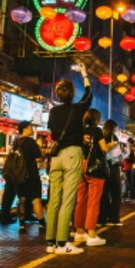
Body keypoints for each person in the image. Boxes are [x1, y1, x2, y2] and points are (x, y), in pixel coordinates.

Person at [45, 61, 92, 255]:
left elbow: (52, 132)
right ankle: (63, 243)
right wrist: (84, 73)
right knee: (68, 199)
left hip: (56, 157)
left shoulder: (53, 111)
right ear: (72, 94)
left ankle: (51, 243)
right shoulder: (77, 109)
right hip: (72, 154)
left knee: (54, 199)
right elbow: (89, 95)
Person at [74, 110, 112, 246]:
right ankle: (91, 233)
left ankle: (79, 232)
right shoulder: (97, 131)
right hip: (94, 168)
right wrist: (110, 145)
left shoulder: (80, 130)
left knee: (81, 199)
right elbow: (104, 149)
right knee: (93, 201)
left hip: (80, 166)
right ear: (97, 119)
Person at [13, 121, 46, 234]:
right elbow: (38, 158)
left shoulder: (16, 142)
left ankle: (21, 225)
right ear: (25, 129)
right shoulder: (31, 142)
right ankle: (42, 223)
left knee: (21, 199)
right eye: (31, 127)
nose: (32, 129)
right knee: (36, 199)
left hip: (19, 175)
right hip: (31, 175)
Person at [98, 119, 123, 227]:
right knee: (116, 194)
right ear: (113, 128)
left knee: (104, 194)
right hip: (113, 168)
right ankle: (113, 218)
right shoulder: (114, 138)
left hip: (102, 168)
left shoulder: (100, 137)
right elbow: (118, 155)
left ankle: (102, 218)